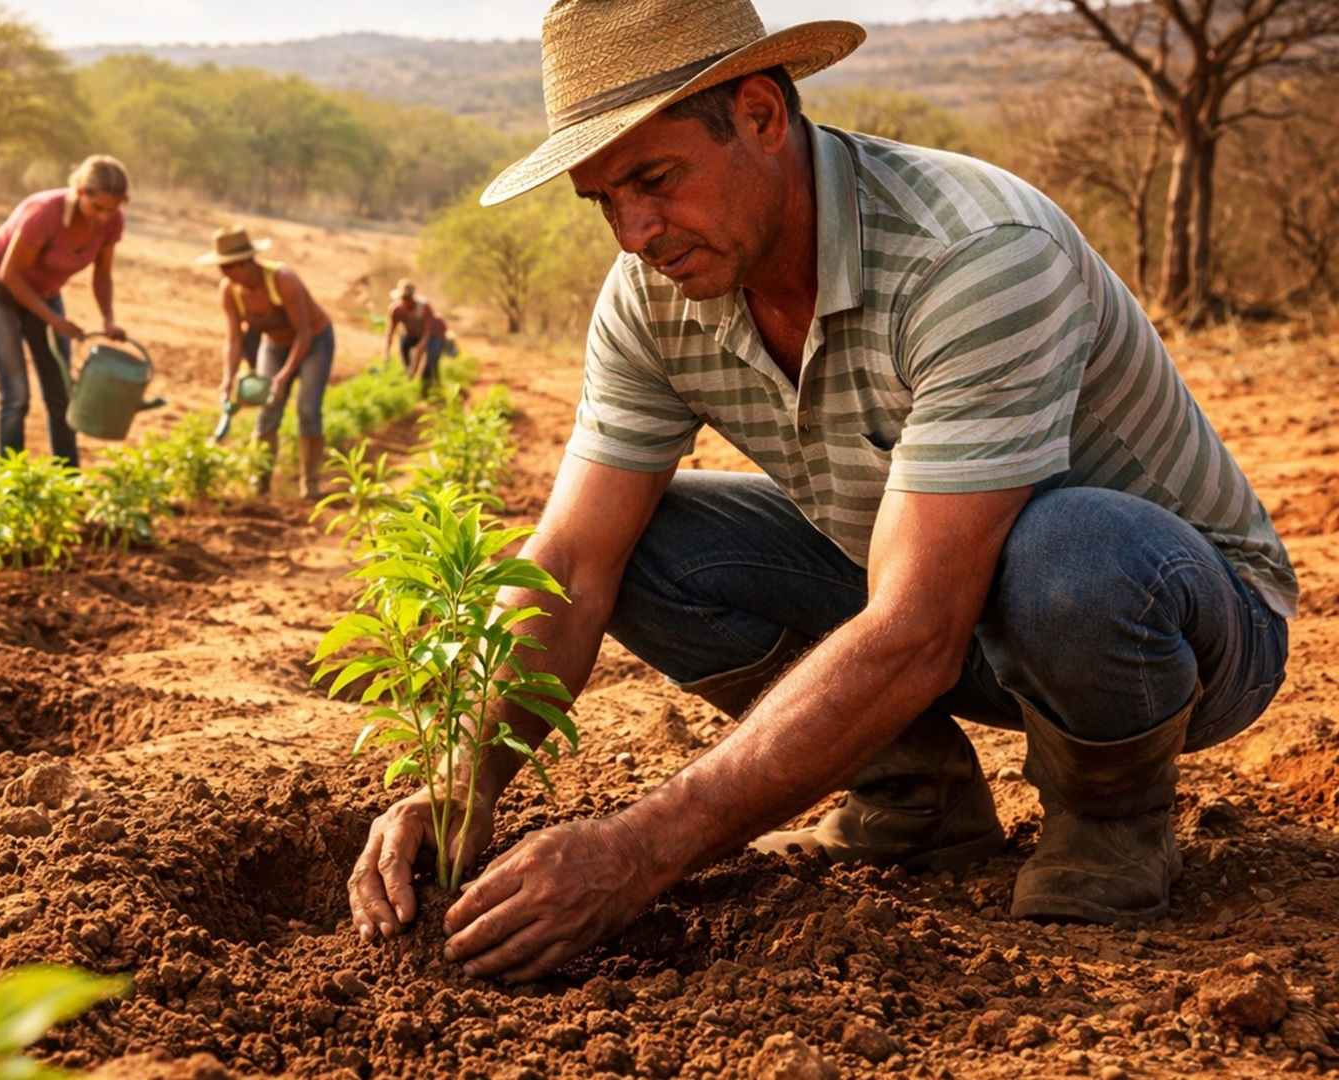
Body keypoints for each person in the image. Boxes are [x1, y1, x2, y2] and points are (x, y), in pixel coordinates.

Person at [346, 0, 1296, 983]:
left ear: (760, 116)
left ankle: (1112, 818)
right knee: (644, 546)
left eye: (654, 180)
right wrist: (462, 783)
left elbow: (919, 631)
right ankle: (913, 800)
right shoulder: (653, 297)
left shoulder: (976, 253)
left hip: (1162, 626)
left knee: (1070, 548)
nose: (634, 233)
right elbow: (570, 563)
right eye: (603, 200)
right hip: (933, 605)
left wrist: (640, 849)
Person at [0, 155, 130, 465]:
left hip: (44, 292)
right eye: (98, 208)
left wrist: (108, 319)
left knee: (61, 393)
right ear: (81, 192)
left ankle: (67, 484)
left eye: (113, 209)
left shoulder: (111, 223)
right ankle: (11, 484)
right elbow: (9, 274)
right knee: (16, 396)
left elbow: (102, 273)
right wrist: (53, 320)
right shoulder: (44, 214)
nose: (104, 217)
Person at [200, 225, 336, 499]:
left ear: (247, 263)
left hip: (314, 343)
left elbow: (304, 332)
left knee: (308, 410)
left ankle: (310, 485)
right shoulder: (230, 291)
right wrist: (228, 377)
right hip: (274, 345)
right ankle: (259, 484)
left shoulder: (283, 280)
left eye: (228, 267)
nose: (223, 273)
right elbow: (235, 339)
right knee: (267, 409)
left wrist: (283, 377)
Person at [384, 280, 435, 373]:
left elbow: (428, 329)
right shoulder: (396, 309)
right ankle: (409, 374)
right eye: (403, 298)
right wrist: (387, 352)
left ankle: (426, 376)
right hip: (409, 335)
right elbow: (390, 331)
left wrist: (423, 342)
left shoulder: (424, 307)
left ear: (413, 297)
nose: (406, 301)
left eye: (408, 298)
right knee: (404, 348)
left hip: (428, 335)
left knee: (430, 361)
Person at [409, 311, 449, 396]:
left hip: (437, 342)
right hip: (430, 342)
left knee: (431, 365)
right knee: (430, 365)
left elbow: (444, 332)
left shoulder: (436, 319)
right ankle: (429, 387)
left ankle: (432, 388)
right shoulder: (421, 320)